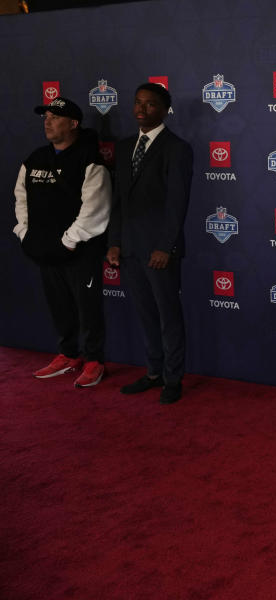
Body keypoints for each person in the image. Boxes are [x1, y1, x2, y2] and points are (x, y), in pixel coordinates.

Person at [14, 97, 111, 388]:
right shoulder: (34, 159)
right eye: (45, 116)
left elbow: (95, 207)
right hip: (45, 250)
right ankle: (69, 355)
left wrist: (69, 241)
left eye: (55, 117)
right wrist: (25, 233)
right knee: (59, 306)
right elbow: (21, 199)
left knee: (88, 308)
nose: (47, 121)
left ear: (73, 124)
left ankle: (93, 361)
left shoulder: (90, 160)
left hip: (80, 251)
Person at [106, 83, 192, 405]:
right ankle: (153, 372)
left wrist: (165, 246)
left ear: (164, 110)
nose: (141, 110)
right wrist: (114, 242)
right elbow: (118, 202)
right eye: (137, 103)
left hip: (160, 253)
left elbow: (177, 203)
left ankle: (173, 378)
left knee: (168, 315)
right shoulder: (125, 146)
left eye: (150, 104)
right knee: (145, 315)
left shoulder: (177, 148)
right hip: (128, 250)